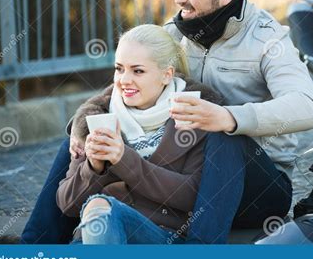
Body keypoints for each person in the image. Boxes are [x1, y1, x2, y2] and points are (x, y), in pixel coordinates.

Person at [21, 0, 313, 244]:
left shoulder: (268, 38)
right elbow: (124, 85)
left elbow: (306, 107)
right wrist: (82, 125)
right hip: (186, 174)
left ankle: (200, 250)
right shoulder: (175, 32)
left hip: (256, 185)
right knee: (84, 138)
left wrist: (229, 117)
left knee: (221, 133)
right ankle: (34, 248)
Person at [56, 24, 222, 244]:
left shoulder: (196, 114)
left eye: (138, 71)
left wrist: (122, 159)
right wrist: (94, 168)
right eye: (119, 69)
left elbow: (193, 196)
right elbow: (67, 204)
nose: (124, 80)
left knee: (102, 209)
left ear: (166, 75)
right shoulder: (99, 117)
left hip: (162, 236)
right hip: (98, 235)